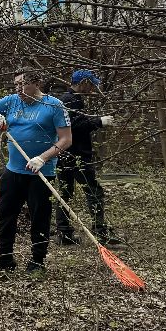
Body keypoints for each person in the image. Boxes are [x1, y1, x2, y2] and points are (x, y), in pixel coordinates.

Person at [0, 70, 72, 274]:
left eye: (22, 84)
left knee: (40, 217)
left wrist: (43, 158)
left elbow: (66, 139)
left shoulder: (54, 105)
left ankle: (37, 261)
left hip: (40, 172)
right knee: (6, 214)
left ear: (37, 84)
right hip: (13, 171)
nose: (18, 88)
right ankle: (5, 257)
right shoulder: (11, 101)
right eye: (16, 84)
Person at [57, 69, 116, 245]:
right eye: (91, 84)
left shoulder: (67, 99)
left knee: (65, 192)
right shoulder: (71, 100)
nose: (92, 88)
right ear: (83, 82)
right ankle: (100, 232)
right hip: (76, 155)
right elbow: (73, 126)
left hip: (64, 153)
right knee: (93, 191)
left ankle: (64, 233)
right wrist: (99, 121)